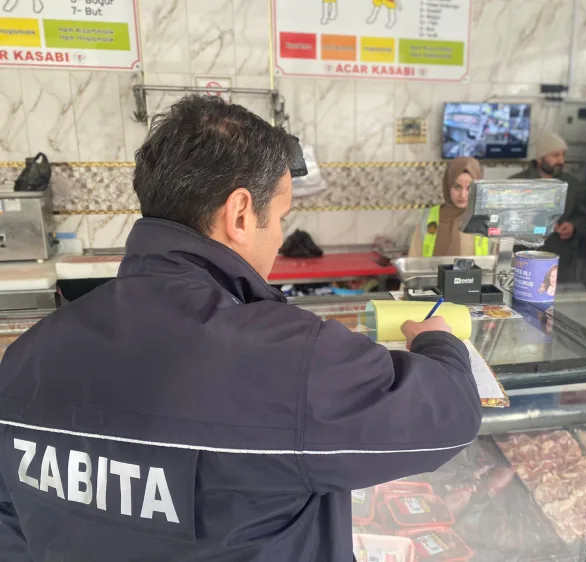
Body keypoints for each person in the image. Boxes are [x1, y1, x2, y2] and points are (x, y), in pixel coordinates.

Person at [0, 97, 482, 561]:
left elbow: (11, 526)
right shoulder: (288, 360)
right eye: (280, 218)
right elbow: (449, 413)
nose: (278, 239)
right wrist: (436, 340)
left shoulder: (26, 358)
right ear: (239, 214)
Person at [510, 132, 586, 281]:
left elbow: (582, 215)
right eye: (555, 155)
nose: (561, 160)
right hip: (524, 260)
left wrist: (573, 226)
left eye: (563, 155)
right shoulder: (516, 184)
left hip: (558, 261)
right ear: (540, 158)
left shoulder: (571, 184)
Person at [408, 156, 490, 257]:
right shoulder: (428, 217)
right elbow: (414, 259)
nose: (463, 195)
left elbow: (500, 262)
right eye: (457, 187)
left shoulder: (486, 219)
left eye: (469, 188)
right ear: (448, 185)